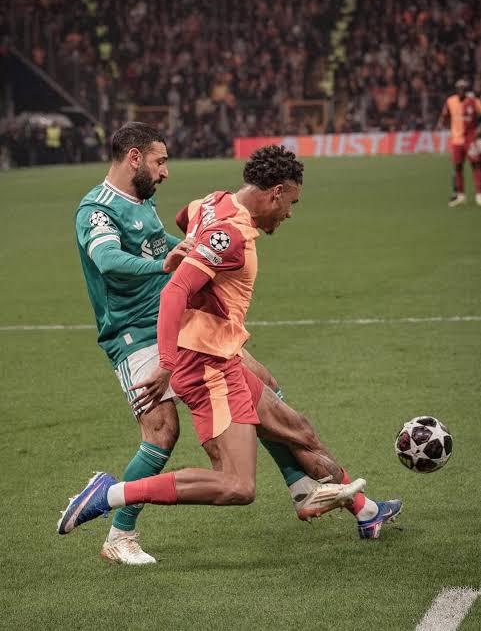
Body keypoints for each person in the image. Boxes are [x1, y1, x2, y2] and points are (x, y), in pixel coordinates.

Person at [60, 145, 402, 545]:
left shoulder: (213, 201)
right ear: (275, 193)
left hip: (219, 351)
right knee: (237, 485)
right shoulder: (231, 236)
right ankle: (110, 495)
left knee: (297, 427)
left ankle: (360, 509)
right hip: (206, 364)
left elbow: (186, 216)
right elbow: (173, 293)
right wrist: (167, 363)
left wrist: (195, 252)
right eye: (290, 203)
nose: (290, 213)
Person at [436, 79, 481, 207]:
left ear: (466, 90)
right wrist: (440, 123)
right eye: (459, 88)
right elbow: (444, 114)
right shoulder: (450, 101)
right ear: (456, 89)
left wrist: (479, 129)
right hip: (456, 140)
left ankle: (479, 194)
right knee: (457, 167)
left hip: (470, 139)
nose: (461, 90)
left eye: (463, 88)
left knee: (476, 165)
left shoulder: (473, 102)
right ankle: (461, 195)